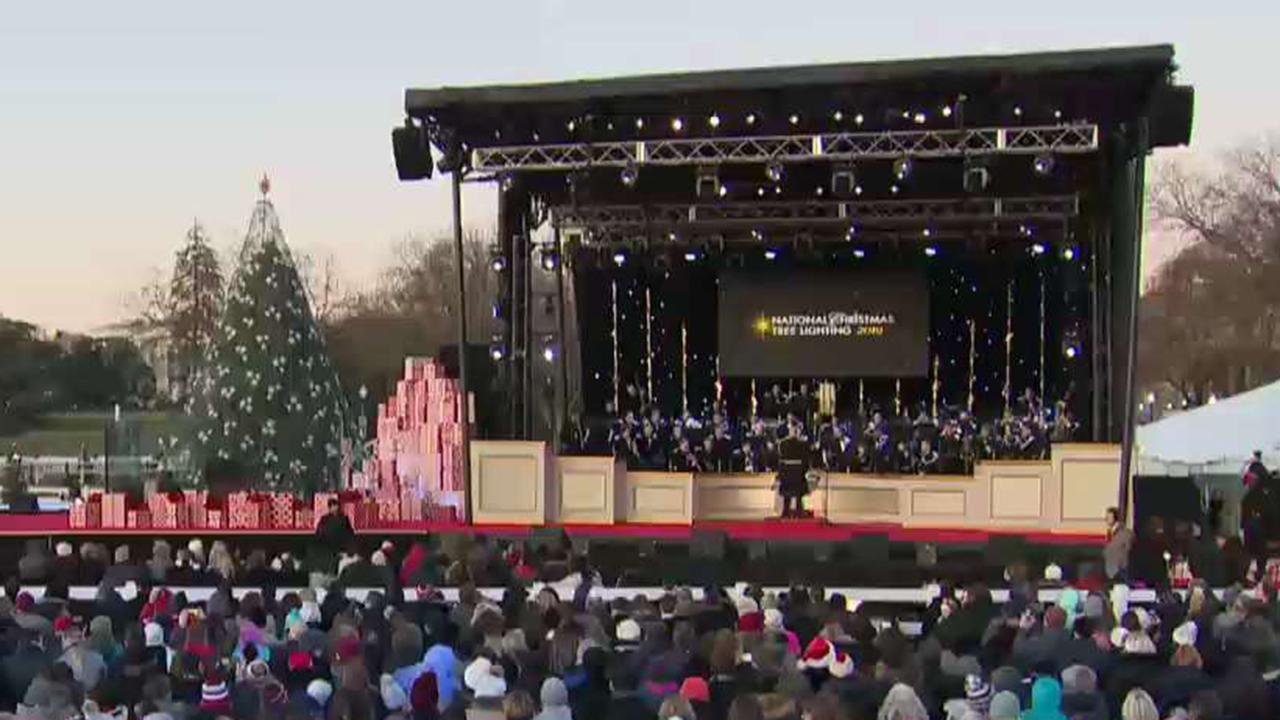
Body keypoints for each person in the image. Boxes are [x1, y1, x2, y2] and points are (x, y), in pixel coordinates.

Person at [775, 423, 812, 518]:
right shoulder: (803, 444)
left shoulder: (782, 444)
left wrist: (780, 475)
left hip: (787, 475)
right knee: (799, 488)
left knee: (788, 489)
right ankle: (799, 511)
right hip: (798, 475)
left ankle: (786, 511)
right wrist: (804, 472)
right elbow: (806, 462)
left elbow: (780, 461)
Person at [316, 497, 355, 572]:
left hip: (341, 546)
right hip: (328, 546)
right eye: (333, 506)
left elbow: (350, 532)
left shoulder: (344, 518)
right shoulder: (324, 519)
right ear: (329, 508)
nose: (335, 508)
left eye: (336, 505)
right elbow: (319, 531)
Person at [1104, 507, 1134, 580]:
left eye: (1108, 517)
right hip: (1110, 571)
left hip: (1121, 571)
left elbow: (1129, 550)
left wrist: (1122, 565)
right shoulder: (1109, 533)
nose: (1106, 519)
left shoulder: (1125, 533)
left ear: (1116, 518)